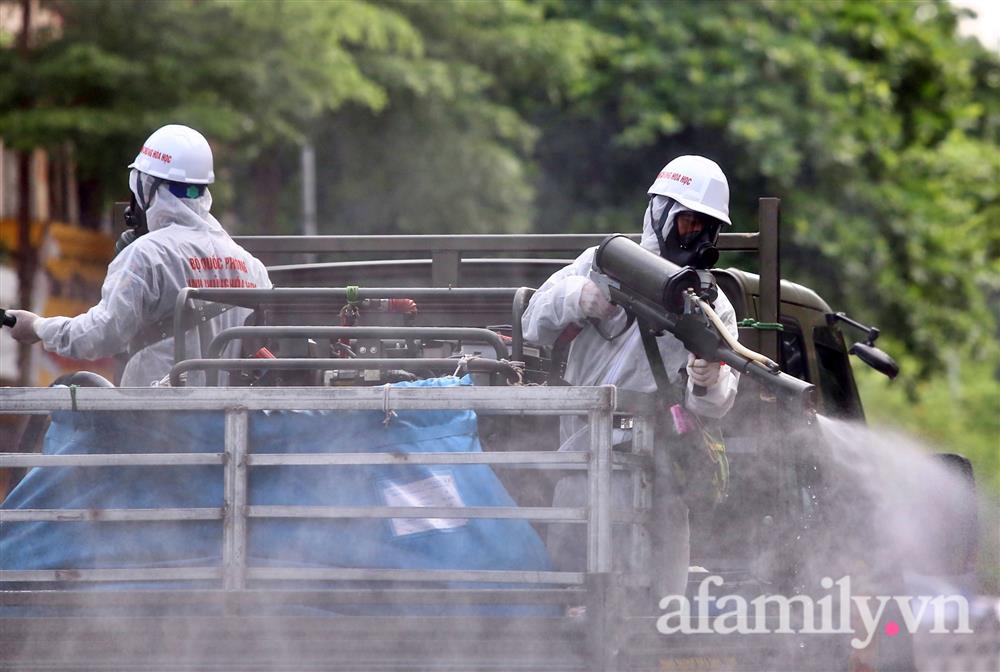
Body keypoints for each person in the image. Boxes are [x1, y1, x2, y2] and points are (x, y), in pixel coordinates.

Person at [521, 155, 740, 584]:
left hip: (659, 474)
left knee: (657, 603)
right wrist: (575, 297)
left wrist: (708, 382)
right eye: (689, 223)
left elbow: (717, 406)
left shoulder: (712, 303)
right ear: (661, 213)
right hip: (583, 460)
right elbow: (532, 325)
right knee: (573, 589)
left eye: (708, 229)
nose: (698, 238)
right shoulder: (600, 263)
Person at [7, 124, 271, 387]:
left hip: (153, 410)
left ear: (146, 186)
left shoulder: (148, 256)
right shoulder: (251, 266)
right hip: (227, 411)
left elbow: (99, 335)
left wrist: (38, 327)